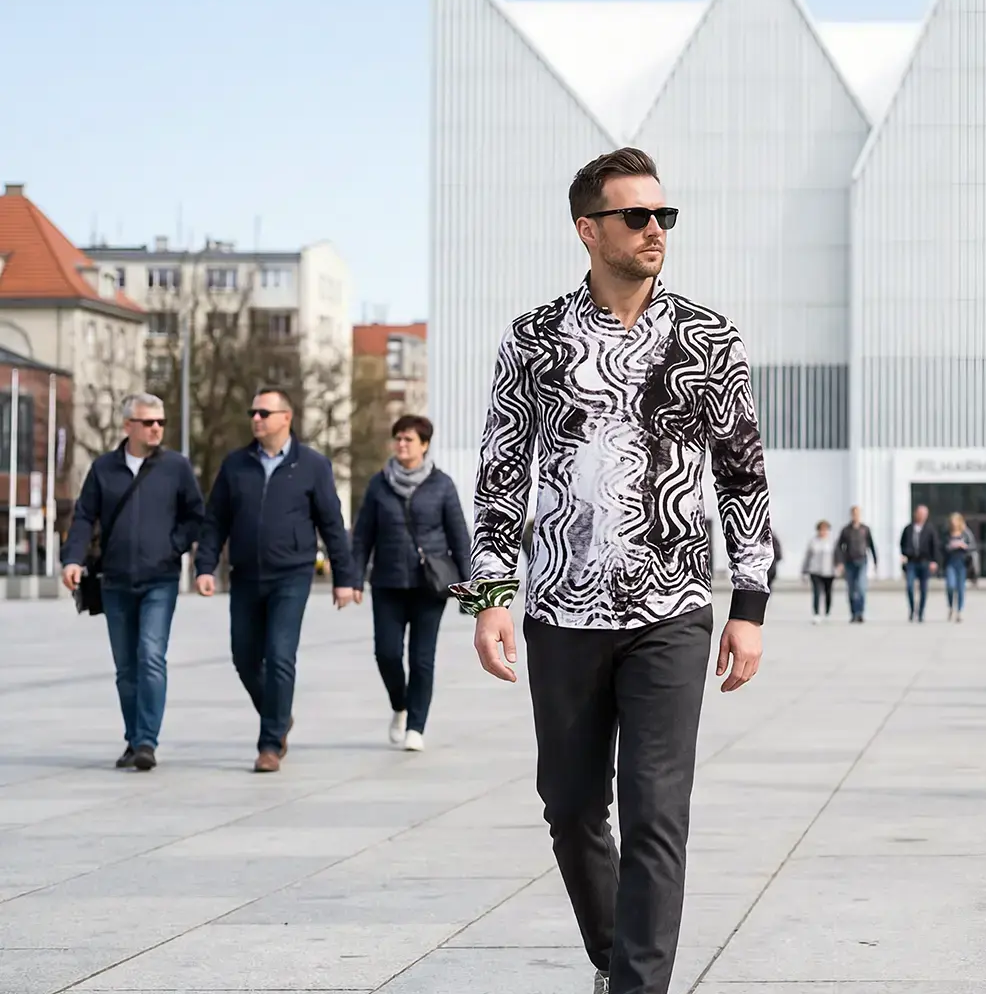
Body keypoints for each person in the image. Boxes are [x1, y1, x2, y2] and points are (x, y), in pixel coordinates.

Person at [456, 147, 769, 994]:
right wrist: (490, 593)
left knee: (657, 813)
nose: (655, 230)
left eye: (664, 215)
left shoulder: (709, 339)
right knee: (569, 807)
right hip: (561, 611)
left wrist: (750, 604)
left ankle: (638, 986)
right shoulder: (532, 339)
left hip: (671, 609)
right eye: (637, 217)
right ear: (588, 229)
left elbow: (742, 476)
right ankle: (611, 956)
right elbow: (498, 473)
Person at [194, 386, 360, 773]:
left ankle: (270, 743)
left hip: (292, 574)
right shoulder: (235, 465)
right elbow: (215, 520)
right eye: (253, 412)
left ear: (286, 418)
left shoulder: (313, 465)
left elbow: (332, 525)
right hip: (245, 575)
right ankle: (280, 714)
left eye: (264, 413)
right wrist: (204, 566)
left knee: (281, 655)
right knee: (244, 657)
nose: (255, 419)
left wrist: (344, 577)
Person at [60, 393, 205, 772]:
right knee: (126, 667)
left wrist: (173, 547)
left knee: (151, 656)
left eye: (161, 422)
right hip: (115, 580)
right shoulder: (103, 469)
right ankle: (132, 737)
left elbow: (195, 516)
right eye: (148, 422)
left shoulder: (177, 467)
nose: (157, 428)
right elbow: (83, 517)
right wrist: (72, 559)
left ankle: (146, 742)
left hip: (160, 579)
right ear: (128, 426)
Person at [350, 414, 472, 753]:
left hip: (429, 585)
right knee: (386, 653)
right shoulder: (379, 484)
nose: (401, 445)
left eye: (408, 439)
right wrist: (353, 578)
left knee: (422, 659)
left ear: (424, 445)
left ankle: (416, 725)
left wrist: (469, 587)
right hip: (387, 582)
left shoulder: (442, 485)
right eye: (398, 439)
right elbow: (363, 536)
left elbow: (459, 537)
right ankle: (400, 705)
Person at [898, 504, 939, 623]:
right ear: (915, 514)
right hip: (911, 562)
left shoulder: (930, 529)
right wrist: (904, 554)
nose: (922, 516)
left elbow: (935, 546)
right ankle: (912, 609)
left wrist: (934, 561)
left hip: (925, 562)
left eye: (924, 514)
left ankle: (921, 612)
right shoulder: (908, 528)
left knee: (924, 589)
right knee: (910, 587)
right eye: (920, 514)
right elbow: (902, 543)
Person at [835, 506, 875, 623]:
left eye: (857, 514)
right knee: (851, 589)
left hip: (862, 561)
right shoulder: (846, 530)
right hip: (849, 562)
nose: (855, 516)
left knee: (861, 588)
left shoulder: (865, 529)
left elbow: (871, 545)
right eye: (854, 514)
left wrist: (875, 560)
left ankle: (860, 612)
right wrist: (840, 562)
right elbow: (839, 547)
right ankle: (853, 613)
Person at [941, 513, 979, 623]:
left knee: (961, 588)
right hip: (950, 562)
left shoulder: (966, 533)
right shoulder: (947, 533)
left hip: (962, 562)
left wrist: (964, 546)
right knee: (950, 586)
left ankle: (959, 611)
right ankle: (950, 606)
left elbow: (973, 546)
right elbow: (942, 546)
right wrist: (950, 546)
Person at [803, 521, 838, 624]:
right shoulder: (813, 541)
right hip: (815, 571)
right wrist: (804, 570)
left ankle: (827, 612)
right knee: (817, 592)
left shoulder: (832, 542)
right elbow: (808, 557)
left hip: (829, 571)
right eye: (821, 530)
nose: (823, 532)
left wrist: (839, 567)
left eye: (825, 530)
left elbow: (837, 555)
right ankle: (816, 614)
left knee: (828, 592)